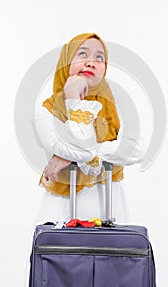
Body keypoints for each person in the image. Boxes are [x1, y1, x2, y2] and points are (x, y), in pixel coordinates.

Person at [33, 33, 144, 224]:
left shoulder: (117, 107)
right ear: (66, 62)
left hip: (111, 210)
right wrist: (73, 99)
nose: (91, 63)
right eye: (82, 54)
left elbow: (136, 150)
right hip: (60, 213)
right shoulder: (46, 112)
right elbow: (83, 148)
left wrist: (68, 155)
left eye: (99, 58)